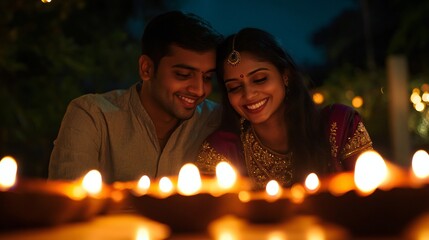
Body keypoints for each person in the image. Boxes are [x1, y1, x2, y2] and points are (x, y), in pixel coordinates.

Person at [49, 11, 223, 183]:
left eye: (207, 77)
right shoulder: (93, 116)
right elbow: (68, 203)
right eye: (183, 74)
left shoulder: (215, 121)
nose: (199, 90)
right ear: (146, 68)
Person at [196, 28, 373, 190]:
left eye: (259, 79)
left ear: (285, 76)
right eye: (234, 87)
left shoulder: (338, 125)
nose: (249, 95)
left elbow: (372, 199)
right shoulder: (222, 149)